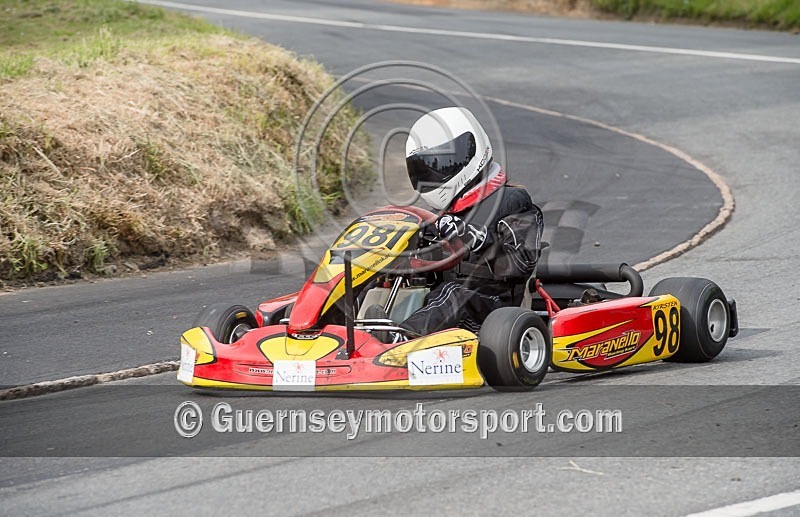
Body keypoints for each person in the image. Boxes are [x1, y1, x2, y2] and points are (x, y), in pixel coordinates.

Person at [398, 106, 544, 335]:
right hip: (442, 306)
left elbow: (520, 264)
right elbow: (429, 271)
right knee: (378, 283)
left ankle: (396, 341)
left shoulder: (511, 201)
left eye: (441, 164)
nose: (434, 173)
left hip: (495, 310)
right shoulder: (439, 216)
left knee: (454, 294)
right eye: (427, 167)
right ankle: (340, 336)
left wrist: (477, 239)